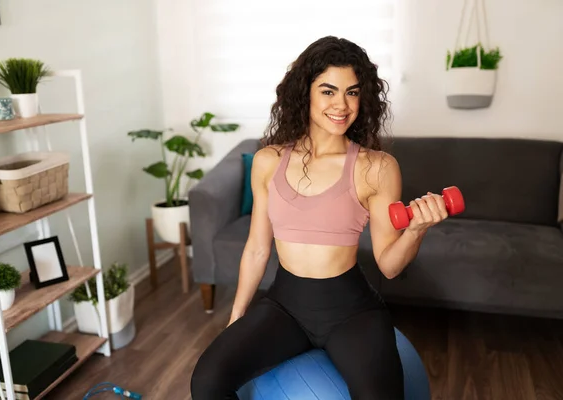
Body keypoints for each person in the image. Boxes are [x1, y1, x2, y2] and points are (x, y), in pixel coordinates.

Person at [190, 36, 448, 400]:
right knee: (207, 380)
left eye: (352, 92)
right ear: (305, 93)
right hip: (286, 305)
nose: (341, 105)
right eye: (328, 91)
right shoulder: (268, 162)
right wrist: (237, 318)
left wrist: (417, 229)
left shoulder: (376, 168)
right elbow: (257, 250)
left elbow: (389, 265)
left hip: (352, 311)